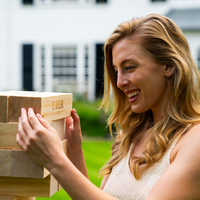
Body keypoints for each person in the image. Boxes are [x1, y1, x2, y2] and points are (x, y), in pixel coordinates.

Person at [17, 13, 200, 200]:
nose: (119, 82)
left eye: (129, 67)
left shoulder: (195, 140)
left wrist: (55, 160)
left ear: (168, 66)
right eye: (116, 71)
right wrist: (74, 156)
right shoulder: (129, 136)